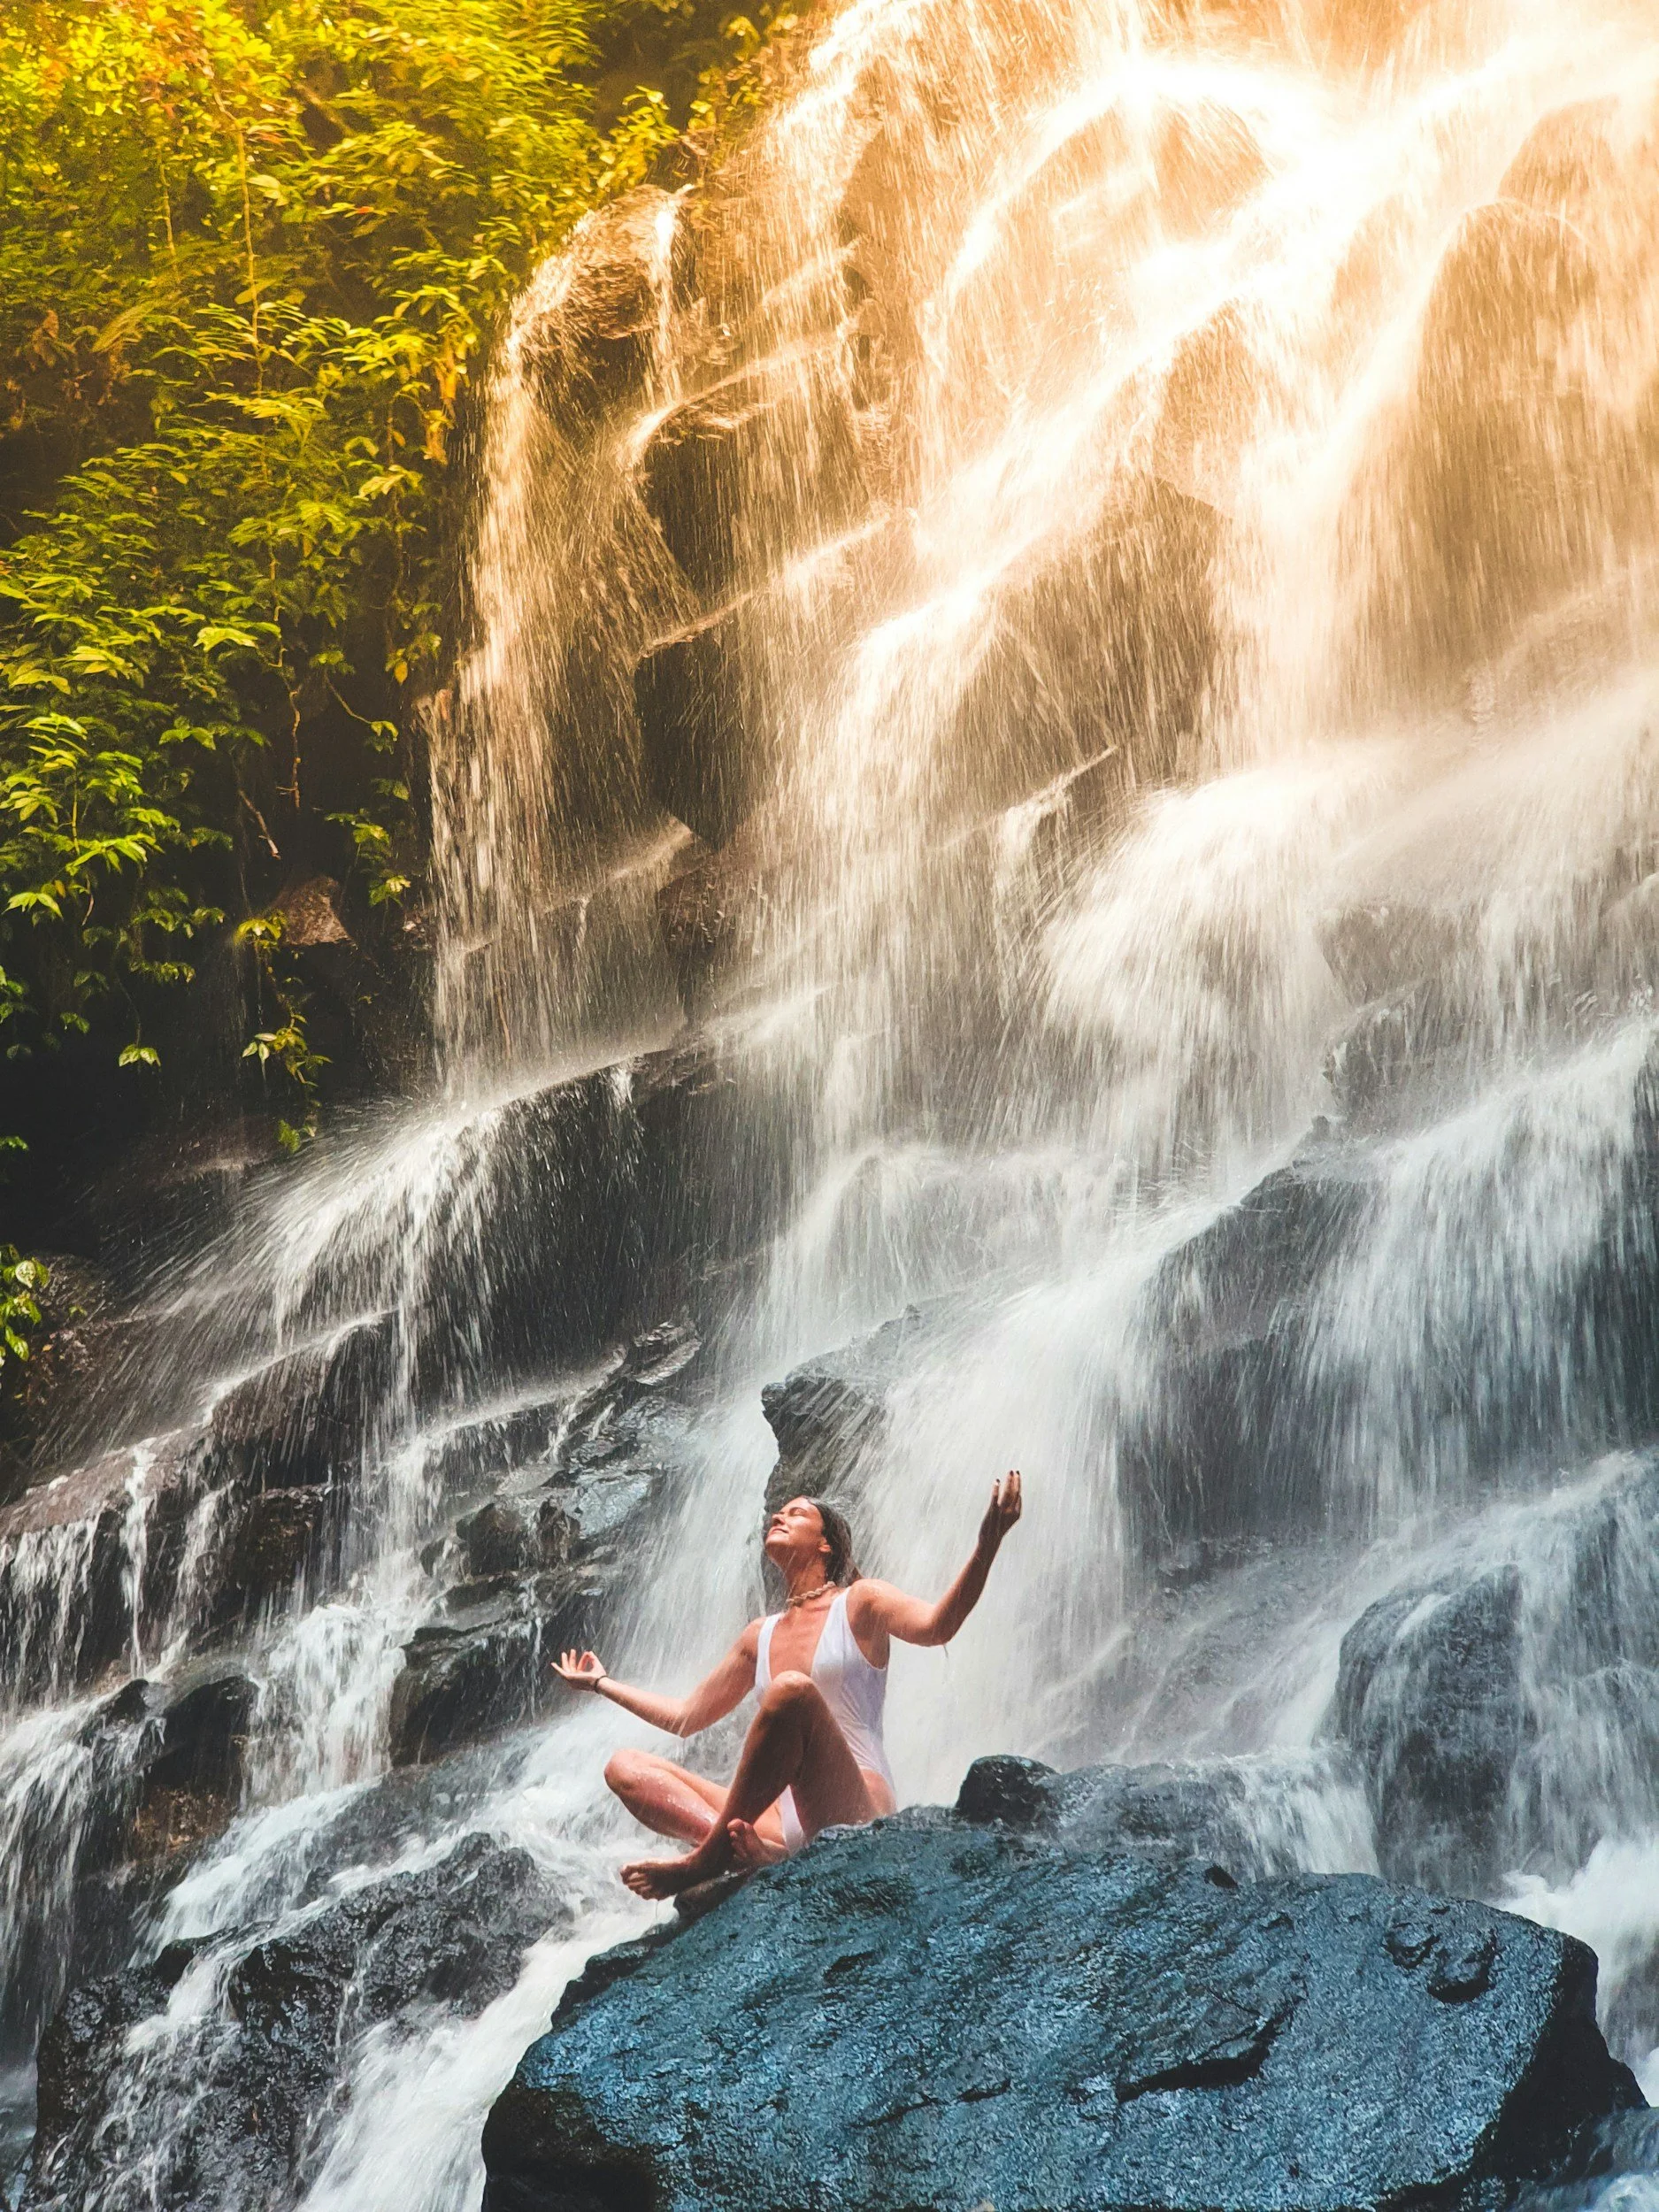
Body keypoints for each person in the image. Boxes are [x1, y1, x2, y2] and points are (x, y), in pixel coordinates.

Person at [554, 1471, 1024, 1899]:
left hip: (853, 1806)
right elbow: (684, 1718)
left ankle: (707, 1859)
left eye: (797, 1513)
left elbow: (937, 1627)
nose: (779, 1515)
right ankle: (747, 1856)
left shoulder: (861, 1603)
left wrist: (987, 1546)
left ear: (825, 1545)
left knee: (793, 1692)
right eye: (779, 1512)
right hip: (781, 1821)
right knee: (625, 1766)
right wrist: (601, 1684)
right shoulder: (760, 1634)